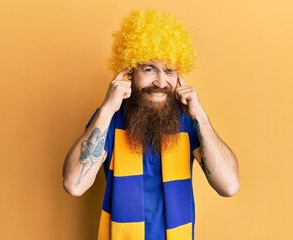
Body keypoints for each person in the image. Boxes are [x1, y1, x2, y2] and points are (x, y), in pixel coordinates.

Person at [63, 9, 239, 240]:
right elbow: (74, 185)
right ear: (129, 72)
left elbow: (229, 187)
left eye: (169, 71)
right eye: (149, 69)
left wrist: (201, 117)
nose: (160, 82)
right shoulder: (108, 119)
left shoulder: (188, 120)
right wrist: (107, 108)